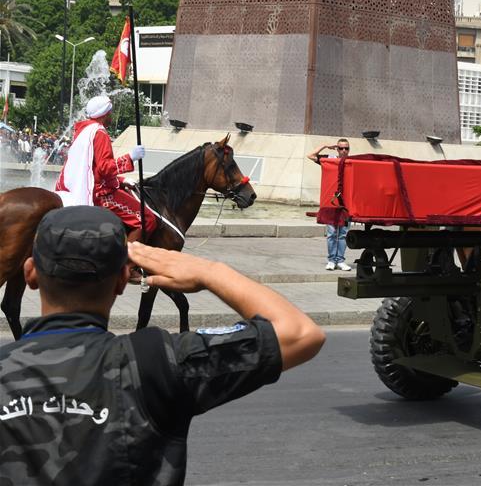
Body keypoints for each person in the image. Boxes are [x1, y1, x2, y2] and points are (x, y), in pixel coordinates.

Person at [0, 206, 326, 485]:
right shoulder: (156, 363)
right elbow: (300, 333)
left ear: (30, 274)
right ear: (121, 281)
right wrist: (208, 271)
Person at [55, 94, 156, 241]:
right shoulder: (100, 133)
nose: (111, 115)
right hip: (100, 194)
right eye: (110, 112)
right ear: (105, 114)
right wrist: (130, 157)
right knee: (147, 219)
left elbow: (92, 169)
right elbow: (104, 168)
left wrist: (120, 180)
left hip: (82, 187)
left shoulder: (83, 130)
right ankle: (126, 256)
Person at [307, 138, 353, 270]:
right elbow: (310, 155)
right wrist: (325, 145)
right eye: (341, 148)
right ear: (337, 149)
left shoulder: (352, 162)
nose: (343, 151)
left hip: (346, 204)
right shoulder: (329, 159)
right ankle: (332, 260)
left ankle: (340, 261)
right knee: (332, 233)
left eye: (346, 148)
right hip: (331, 203)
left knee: (343, 234)